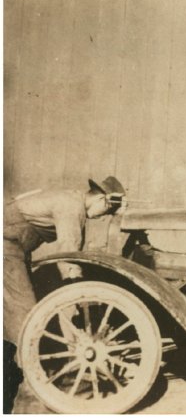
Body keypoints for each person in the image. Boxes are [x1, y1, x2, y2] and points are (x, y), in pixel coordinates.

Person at [3, 176, 125, 412]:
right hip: (6, 250)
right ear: (101, 199)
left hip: (15, 249)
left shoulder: (70, 198)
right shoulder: (72, 206)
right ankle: (31, 389)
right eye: (108, 209)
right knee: (25, 316)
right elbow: (69, 253)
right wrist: (76, 292)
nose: (104, 216)